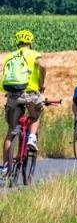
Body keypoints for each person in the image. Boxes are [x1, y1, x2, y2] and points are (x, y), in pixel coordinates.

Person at [2, 29, 46, 161]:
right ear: (30, 42)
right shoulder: (33, 54)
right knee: (37, 113)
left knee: (10, 132)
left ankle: (4, 169)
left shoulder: (10, 56)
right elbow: (43, 66)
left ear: (17, 42)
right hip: (30, 94)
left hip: (13, 95)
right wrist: (42, 85)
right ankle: (32, 137)